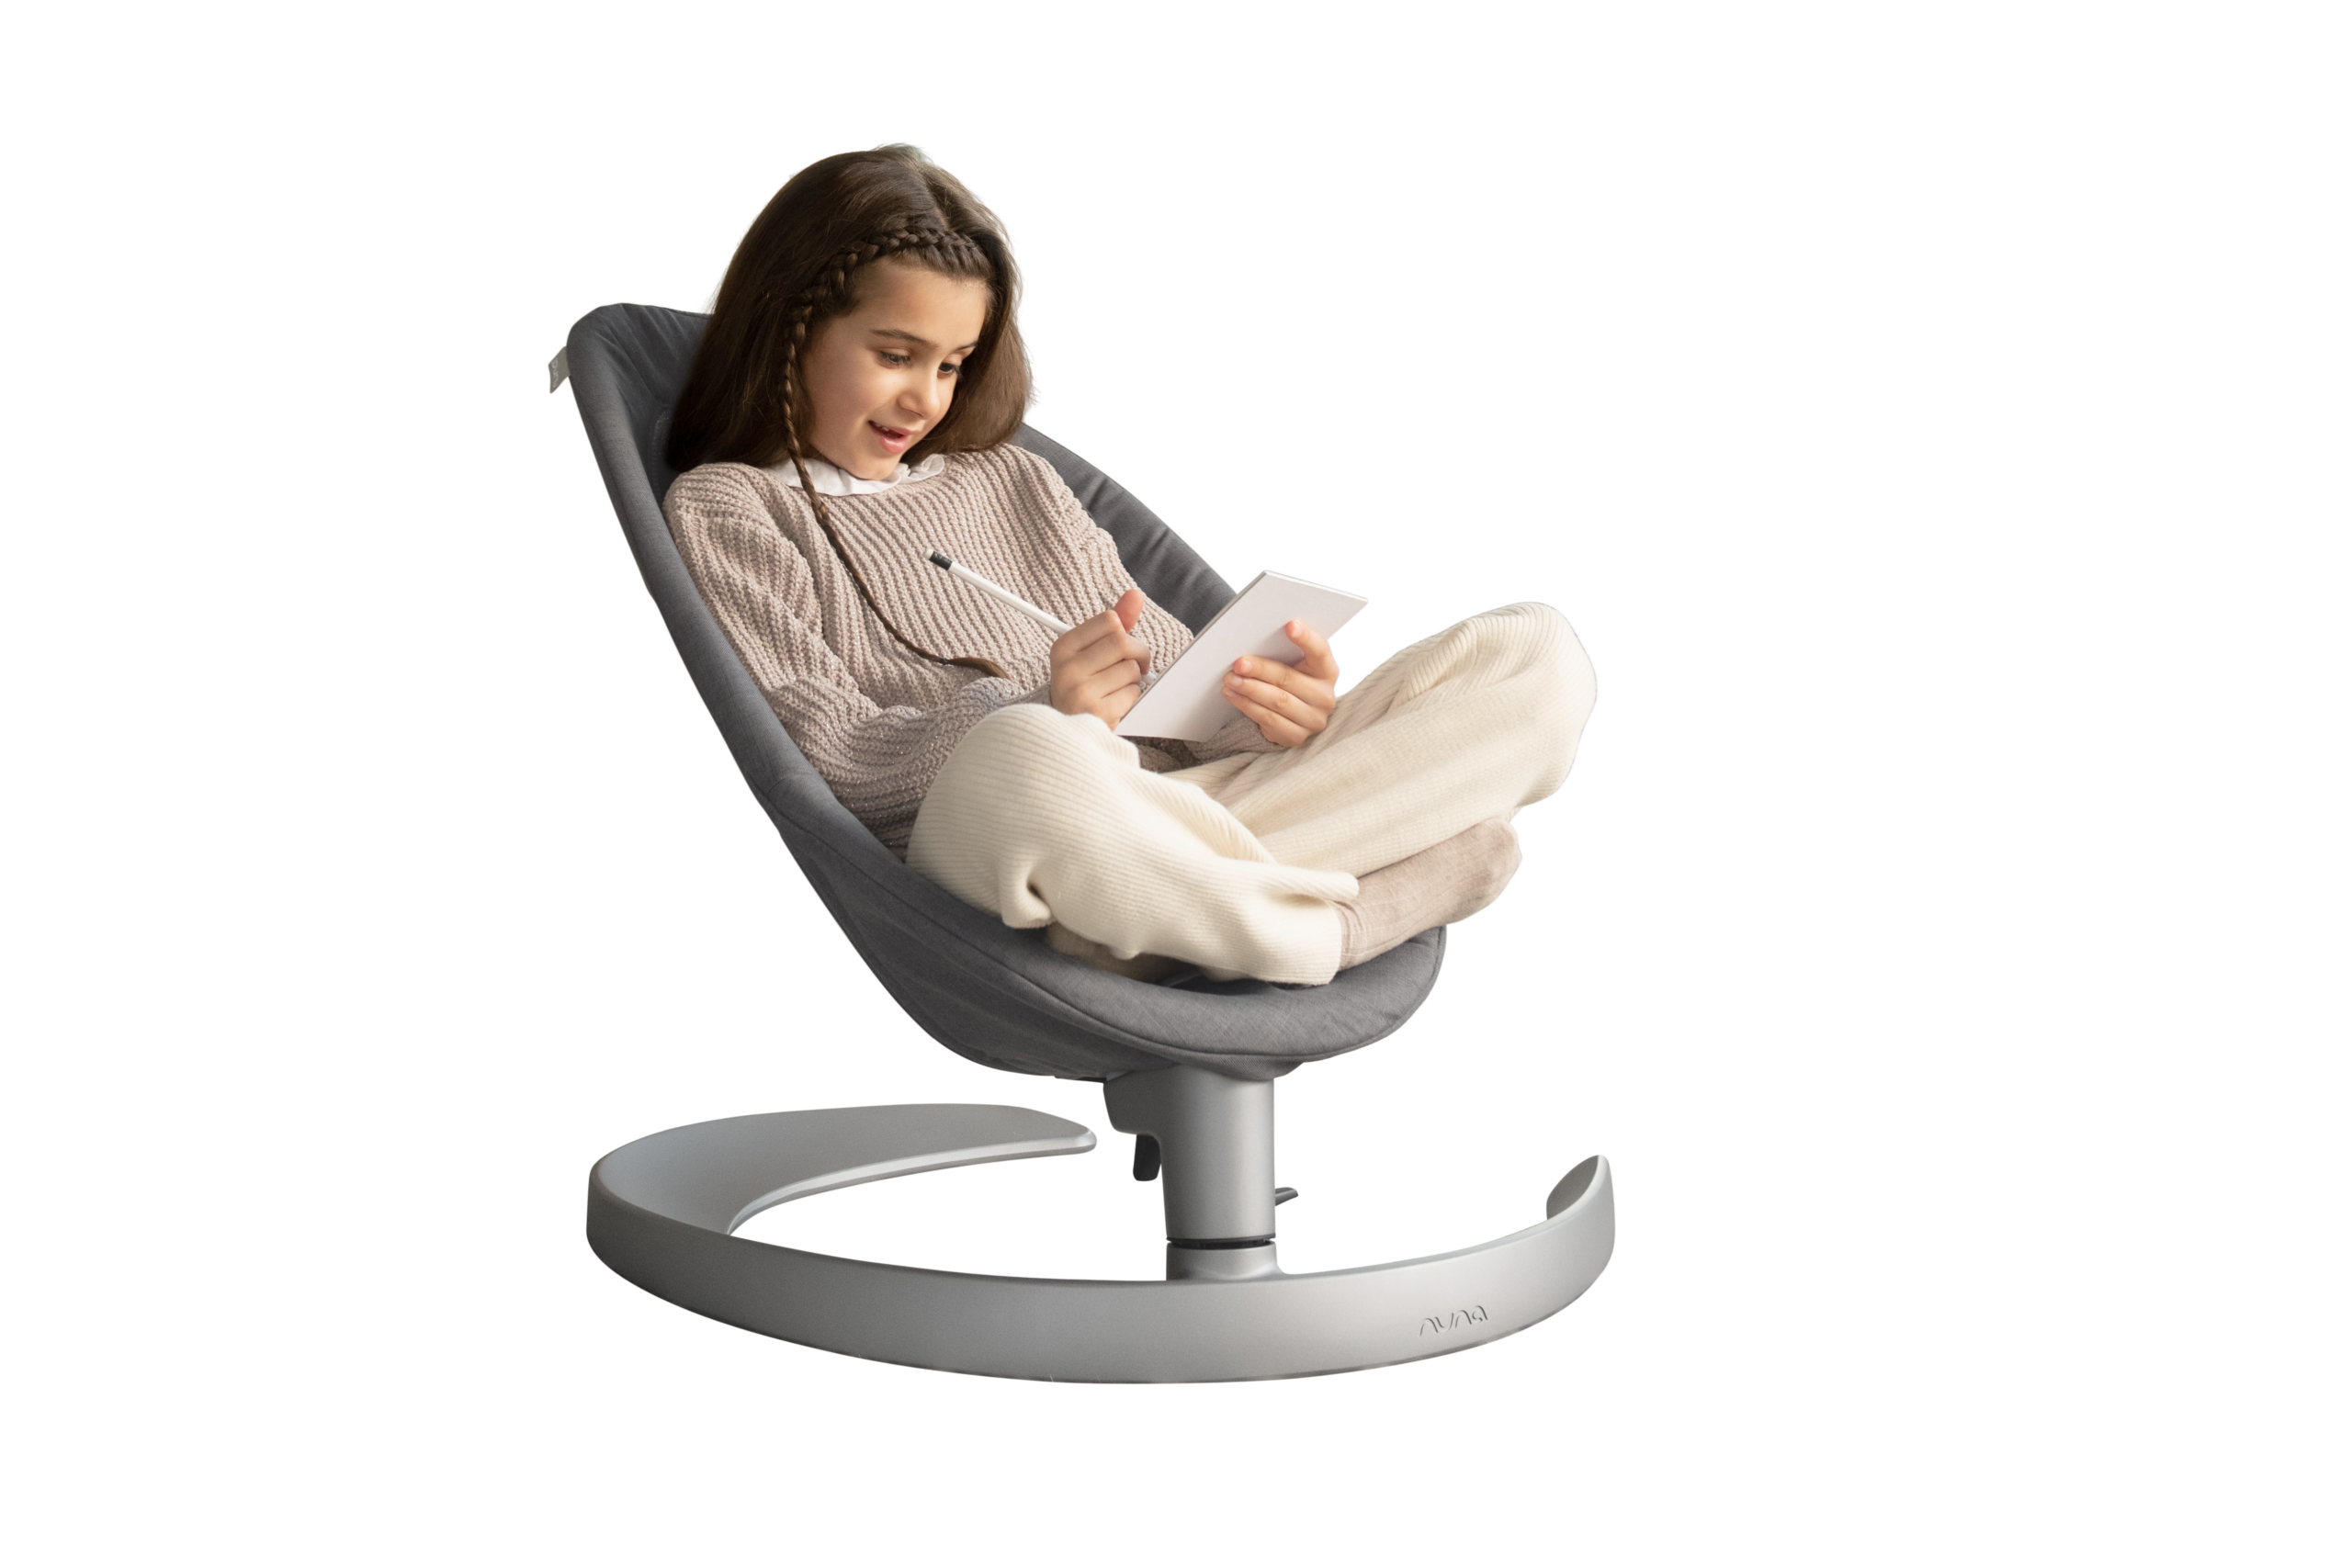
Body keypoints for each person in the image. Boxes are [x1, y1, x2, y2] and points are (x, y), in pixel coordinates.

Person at [662, 141, 1598, 987]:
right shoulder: (730, 507)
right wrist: (1048, 710)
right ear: (789, 326)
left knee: (1534, 651)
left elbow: (1170, 699)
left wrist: (1261, 713)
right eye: (897, 355)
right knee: (1029, 756)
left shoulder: (1014, 480)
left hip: (1161, 819)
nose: (926, 400)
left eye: (951, 365)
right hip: (1001, 830)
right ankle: (1327, 923)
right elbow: (827, 761)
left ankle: (1150, 921)